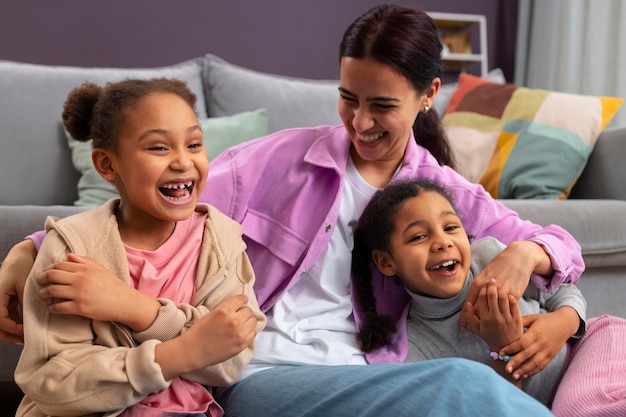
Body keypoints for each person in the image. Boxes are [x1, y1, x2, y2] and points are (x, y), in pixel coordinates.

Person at [1, 4, 585, 416]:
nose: (359, 123)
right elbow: (153, 202)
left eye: (381, 106)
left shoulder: (442, 194)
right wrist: (30, 249)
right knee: (461, 388)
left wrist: (526, 254)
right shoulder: (279, 159)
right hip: (257, 374)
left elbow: (560, 245)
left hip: (368, 376)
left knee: (459, 389)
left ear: (429, 95)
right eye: (348, 98)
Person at [13, 78, 266, 417]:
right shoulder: (72, 250)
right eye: (159, 148)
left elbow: (230, 359)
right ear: (106, 165)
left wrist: (136, 310)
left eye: (193, 144)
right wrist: (183, 353)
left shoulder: (222, 242)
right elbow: (52, 383)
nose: (182, 162)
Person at [351, 178, 623, 412]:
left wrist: (562, 323)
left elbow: (563, 290)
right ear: (387, 263)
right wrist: (502, 349)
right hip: (551, 405)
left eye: (450, 227)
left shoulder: (490, 259)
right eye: (419, 236)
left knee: (580, 409)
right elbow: (500, 410)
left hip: (593, 346)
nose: (442, 242)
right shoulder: (416, 349)